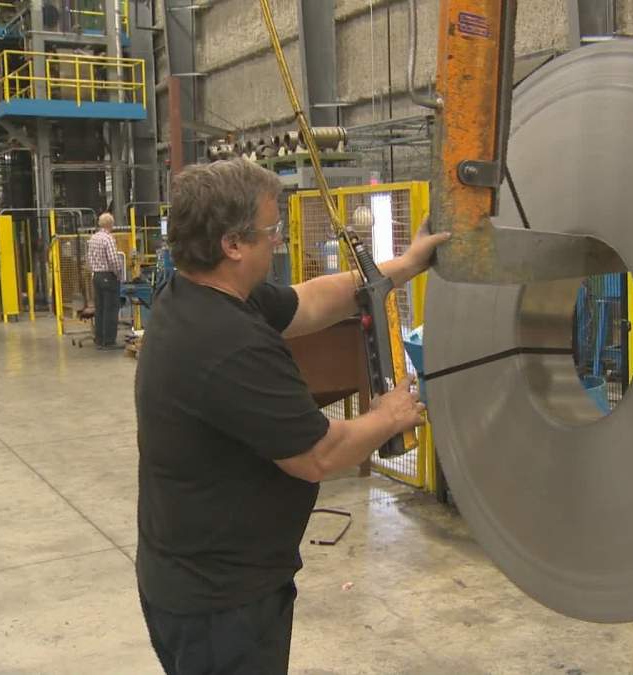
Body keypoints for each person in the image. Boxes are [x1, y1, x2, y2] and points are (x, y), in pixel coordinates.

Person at [134, 158, 448, 674]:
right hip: (221, 601)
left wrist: (407, 265)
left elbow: (311, 301)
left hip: (195, 575)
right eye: (271, 229)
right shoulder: (227, 344)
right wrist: (389, 416)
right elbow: (317, 455)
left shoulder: (199, 295)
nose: (278, 240)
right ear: (233, 244)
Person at [86, 211, 124, 349]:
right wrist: (118, 274)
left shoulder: (93, 238)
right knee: (111, 308)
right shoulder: (108, 239)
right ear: (110, 224)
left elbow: (89, 258)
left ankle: (99, 338)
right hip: (108, 276)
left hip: (96, 276)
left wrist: (94, 272)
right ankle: (108, 341)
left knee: (100, 308)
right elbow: (113, 260)